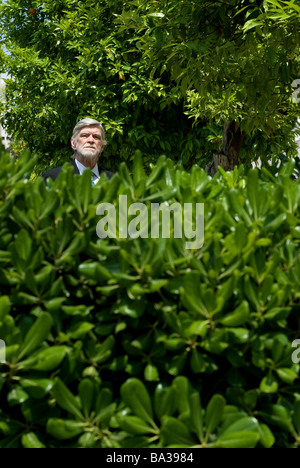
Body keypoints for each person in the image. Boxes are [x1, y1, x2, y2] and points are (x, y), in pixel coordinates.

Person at [42, 118, 114, 183]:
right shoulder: (52, 178)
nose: (91, 140)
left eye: (96, 137)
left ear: (102, 147)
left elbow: (123, 198)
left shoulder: (116, 182)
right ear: (73, 143)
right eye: (85, 135)